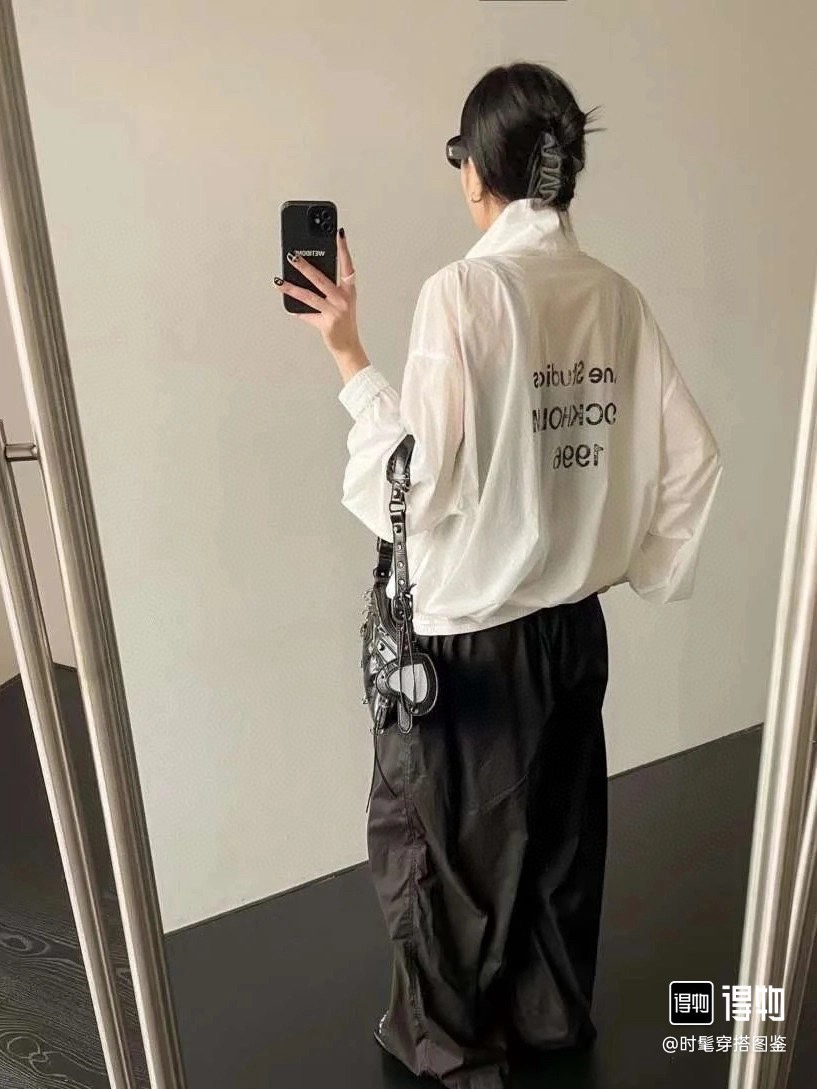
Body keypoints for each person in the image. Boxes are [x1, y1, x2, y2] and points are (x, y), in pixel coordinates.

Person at [274, 61, 723, 1089]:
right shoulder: (614, 296)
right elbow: (691, 460)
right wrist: (638, 562)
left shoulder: (464, 292)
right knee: (559, 851)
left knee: (445, 866)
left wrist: (347, 359)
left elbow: (414, 487)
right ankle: (550, 1023)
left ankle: (452, 1051)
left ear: (476, 169)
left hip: (469, 650)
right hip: (574, 633)